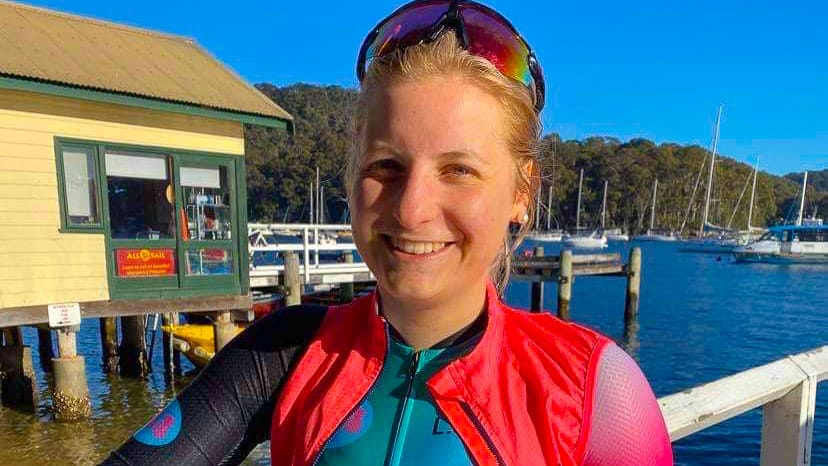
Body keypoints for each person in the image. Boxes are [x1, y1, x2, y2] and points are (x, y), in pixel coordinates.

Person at [100, 1, 673, 465]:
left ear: (522, 191)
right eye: (386, 167)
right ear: (353, 178)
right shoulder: (285, 354)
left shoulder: (591, 389)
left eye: (459, 170)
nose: (413, 207)